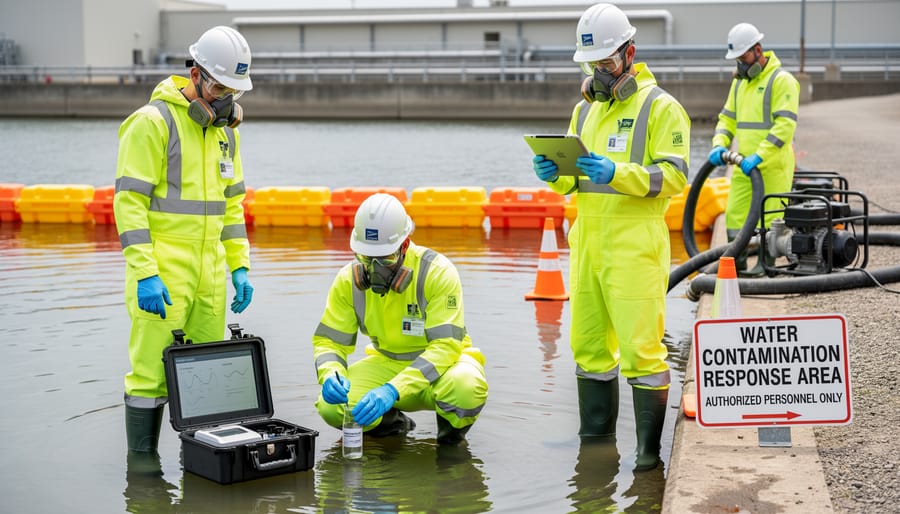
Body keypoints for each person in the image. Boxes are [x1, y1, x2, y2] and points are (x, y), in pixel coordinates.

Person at [532, 3, 690, 471]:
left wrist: (617, 173)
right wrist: (553, 174)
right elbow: (573, 181)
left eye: (606, 63)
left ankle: (647, 456)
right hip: (587, 246)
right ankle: (595, 446)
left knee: (643, 352)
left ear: (629, 53)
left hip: (634, 247)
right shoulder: (583, 112)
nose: (599, 73)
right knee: (589, 350)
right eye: (592, 65)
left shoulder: (661, 107)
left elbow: (676, 177)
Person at [115, 25, 255, 453]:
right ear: (194, 73)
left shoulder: (225, 133)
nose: (224, 98)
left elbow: (232, 207)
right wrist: (145, 273)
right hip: (163, 277)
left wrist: (239, 265)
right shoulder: (151, 122)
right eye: (218, 85)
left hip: (210, 279)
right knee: (149, 377)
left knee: (208, 375)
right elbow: (129, 203)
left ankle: (204, 466)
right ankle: (142, 472)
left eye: (233, 89)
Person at [312, 193, 487, 445]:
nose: (375, 269)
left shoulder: (437, 273)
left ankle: (450, 449)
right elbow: (329, 341)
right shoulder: (347, 280)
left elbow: (445, 347)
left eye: (385, 258)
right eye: (365, 258)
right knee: (333, 408)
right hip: (387, 362)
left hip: (442, 367)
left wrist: (393, 390)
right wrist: (330, 374)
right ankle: (395, 428)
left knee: (466, 387)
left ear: (405, 245)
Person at [708, 22, 800, 276]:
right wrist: (719, 145)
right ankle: (734, 266)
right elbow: (726, 119)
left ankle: (765, 267)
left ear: (758, 50)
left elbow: (785, 126)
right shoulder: (739, 84)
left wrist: (760, 155)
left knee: (770, 219)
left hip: (772, 166)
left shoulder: (782, 81)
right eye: (736, 59)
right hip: (743, 164)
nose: (740, 64)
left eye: (743, 57)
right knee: (735, 216)